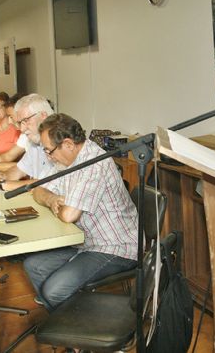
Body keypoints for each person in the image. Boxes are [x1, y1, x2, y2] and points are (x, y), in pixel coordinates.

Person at [23, 113, 137, 310]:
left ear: (67, 144)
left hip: (116, 246)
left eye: (49, 151)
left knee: (54, 291)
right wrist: (51, 200)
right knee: (35, 266)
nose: (48, 156)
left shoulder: (93, 163)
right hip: (86, 240)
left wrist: (57, 204)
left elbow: (68, 215)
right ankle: (68, 324)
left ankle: (85, 327)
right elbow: (38, 189)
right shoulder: (66, 160)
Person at [0, 93, 55, 191]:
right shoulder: (35, 142)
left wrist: (1, 184)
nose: (22, 129)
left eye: (26, 121)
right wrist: (0, 176)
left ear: (43, 116)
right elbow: (19, 170)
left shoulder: (57, 141)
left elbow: (43, 183)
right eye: (20, 123)